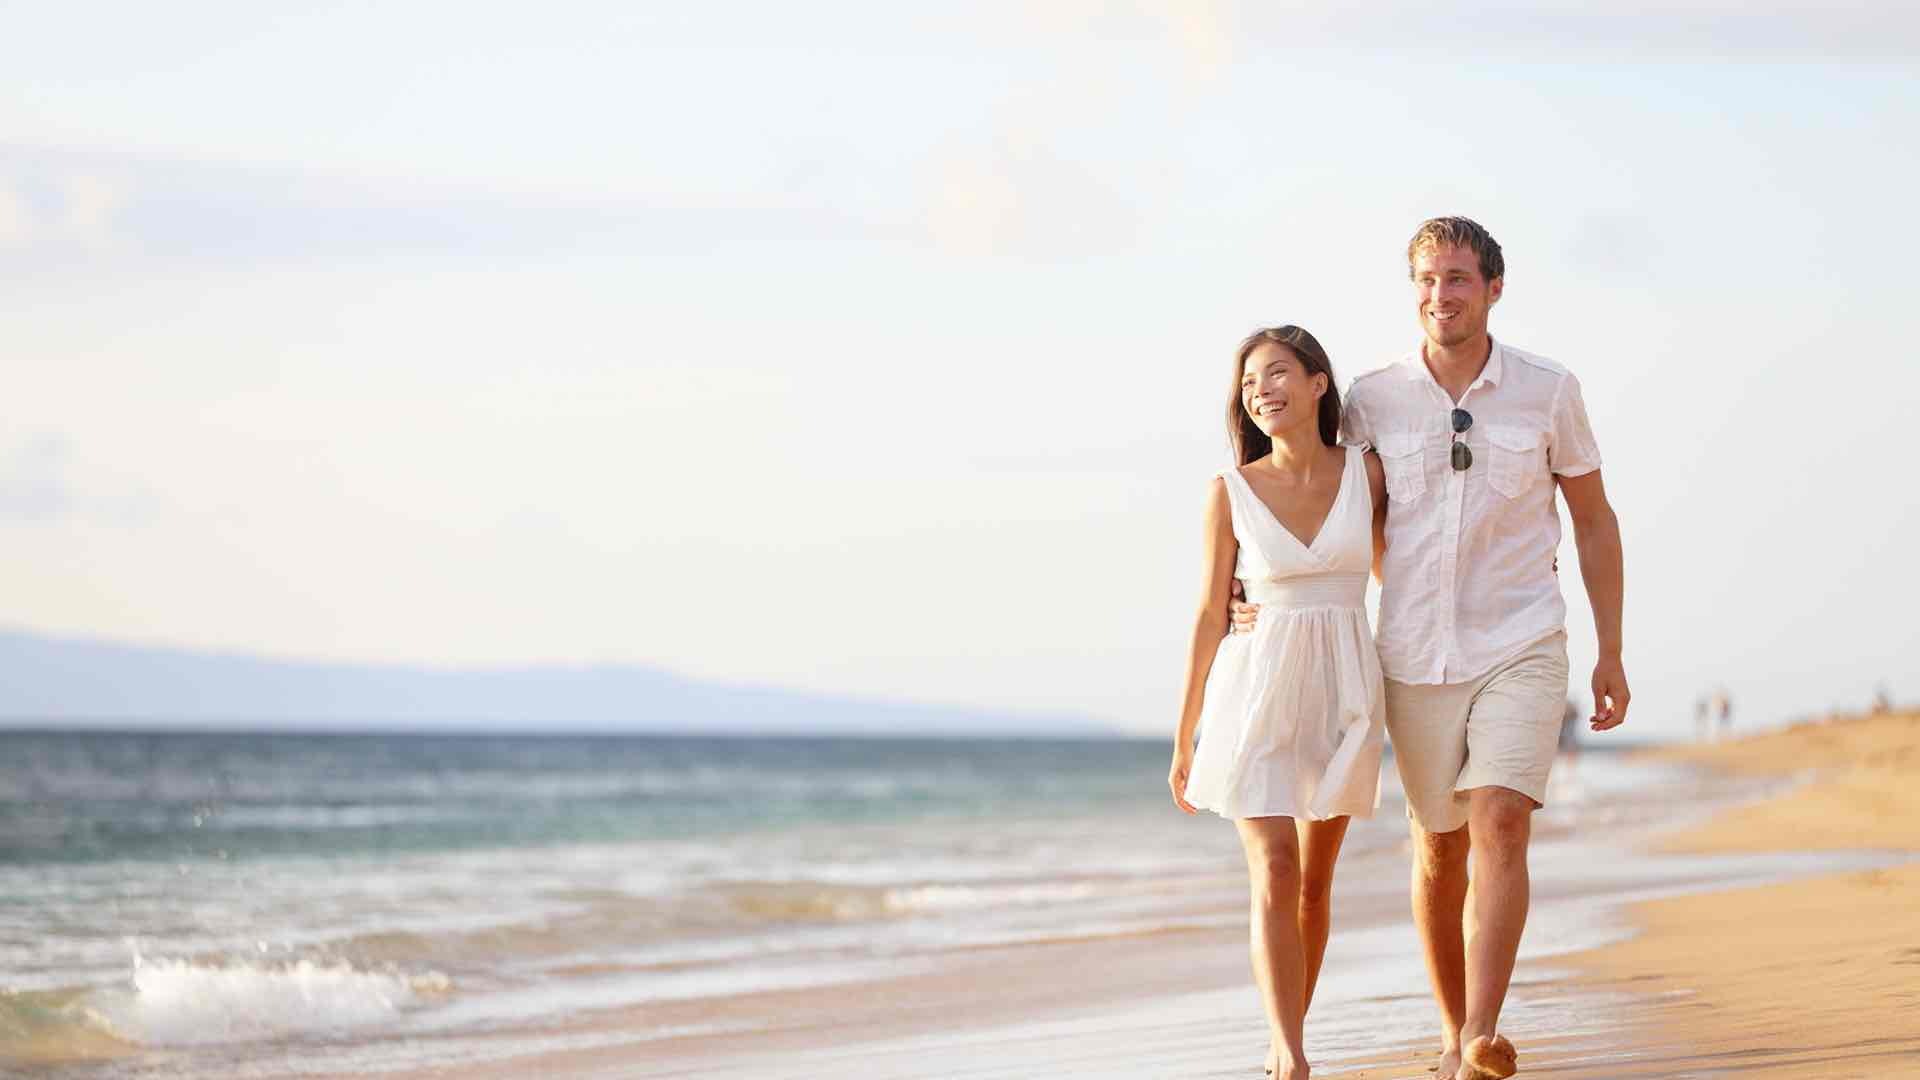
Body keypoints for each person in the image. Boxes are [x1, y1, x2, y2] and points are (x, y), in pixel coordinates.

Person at [1231, 218, 1628, 1080]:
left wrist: (1610, 649)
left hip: (1523, 637)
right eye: (1425, 280)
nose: (1439, 295)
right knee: (1439, 847)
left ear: (1492, 288)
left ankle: (1483, 1034)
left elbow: (1593, 523)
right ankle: (1453, 1033)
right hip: (1410, 654)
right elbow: (1320, 501)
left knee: (1500, 821)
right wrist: (1252, 589)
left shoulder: (1548, 391)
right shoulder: (1373, 399)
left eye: (1456, 278)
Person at [1168, 325, 1389, 1080]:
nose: (1261, 391)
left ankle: (1290, 1028)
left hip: (1343, 686)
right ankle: (1289, 1053)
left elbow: (1406, 571)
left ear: (1319, 383)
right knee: (1275, 867)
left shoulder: (1369, 474)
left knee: (1315, 881)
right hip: (1253, 685)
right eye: (1250, 382)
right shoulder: (1228, 491)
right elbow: (1207, 611)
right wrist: (1185, 731)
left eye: (1278, 374)